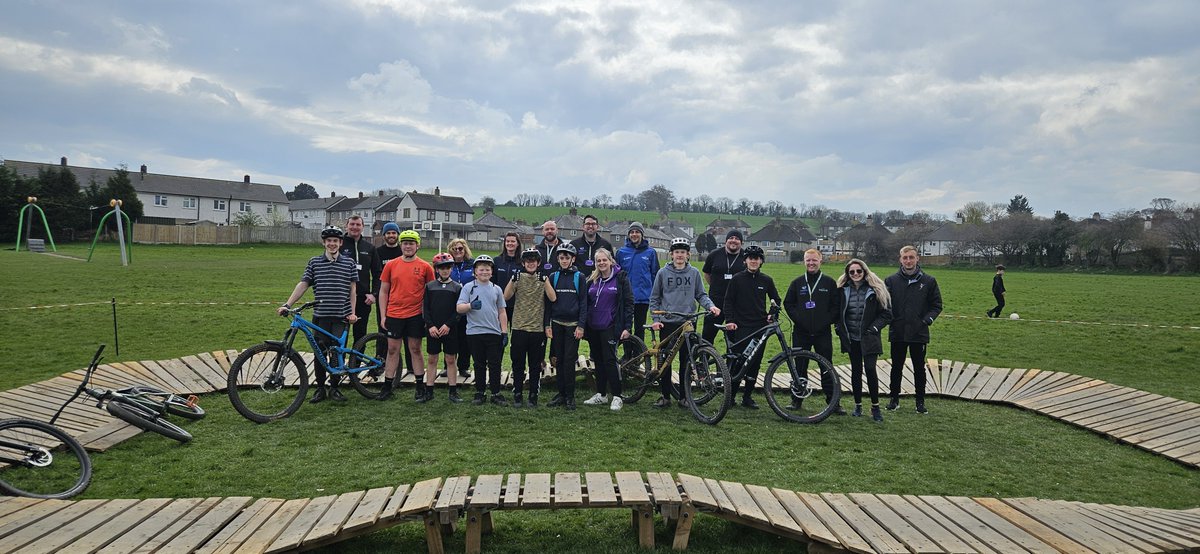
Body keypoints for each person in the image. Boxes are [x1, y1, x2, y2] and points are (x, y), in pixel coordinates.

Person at [277, 225, 359, 403]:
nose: (332, 244)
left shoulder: (349, 263)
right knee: (319, 353)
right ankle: (320, 388)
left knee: (337, 353)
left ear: (340, 243)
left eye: (335, 241)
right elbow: (304, 284)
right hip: (321, 316)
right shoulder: (314, 262)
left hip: (341, 316)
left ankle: (335, 388)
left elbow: (353, 290)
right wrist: (287, 304)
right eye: (329, 241)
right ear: (324, 243)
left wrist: (352, 313)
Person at [649, 238, 719, 408]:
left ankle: (683, 397)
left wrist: (711, 306)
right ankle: (665, 396)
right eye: (676, 252)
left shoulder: (694, 273)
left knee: (686, 362)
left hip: (687, 323)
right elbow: (655, 298)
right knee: (665, 360)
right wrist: (656, 320)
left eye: (683, 252)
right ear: (671, 254)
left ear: (688, 255)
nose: (679, 255)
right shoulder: (662, 273)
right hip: (668, 322)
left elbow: (701, 295)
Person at [377, 229, 435, 402]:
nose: (408, 246)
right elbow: (383, 291)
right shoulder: (391, 265)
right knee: (392, 349)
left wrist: (428, 317)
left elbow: (431, 293)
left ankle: (419, 386)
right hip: (394, 313)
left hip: (415, 315)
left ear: (417, 245)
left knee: (415, 350)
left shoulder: (425, 267)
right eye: (405, 243)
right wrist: (383, 315)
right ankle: (387, 386)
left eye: (411, 243)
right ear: (401, 245)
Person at [783, 248, 843, 414]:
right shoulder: (797, 283)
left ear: (820, 261)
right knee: (799, 368)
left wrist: (824, 322)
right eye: (808, 260)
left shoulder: (829, 283)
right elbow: (788, 304)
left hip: (822, 332)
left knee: (826, 367)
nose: (811, 263)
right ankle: (796, 400)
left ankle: (833, 402)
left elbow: (835, 307)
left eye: (814, 260)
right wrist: (799, 320)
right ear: (804, 261)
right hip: (801, 332)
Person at [884, 246, 943, 414]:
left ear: (918, 259)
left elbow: (936, 305)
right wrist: (891, 319)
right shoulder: (891, 281)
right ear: (900, 259)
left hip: (919, 332)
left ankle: (920, 402)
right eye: (905, 258)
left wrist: (926, 321)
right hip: (898, 332)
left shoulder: (929, 281)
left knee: (919, 367)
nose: (908, 261)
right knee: (896, 366)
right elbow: (885, 305)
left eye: (911, 257)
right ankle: (894, 400)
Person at [721, 245, 780, 409]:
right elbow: (728, 302)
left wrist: (772, 313)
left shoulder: (766, 280)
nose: (753, 261)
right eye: (750, 258)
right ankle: (730, 396)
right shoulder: (737, 279)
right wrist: (730, 321)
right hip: (740, 327)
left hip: (760, 327)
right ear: (745, 261)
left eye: (757, 258)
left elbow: (776, 299)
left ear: (761, 261)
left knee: (755, 362)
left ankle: (747, 396)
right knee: (738, 362)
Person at [835, 258, 892, 422]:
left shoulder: (875, 290)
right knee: (856, 371)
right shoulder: (842, 290)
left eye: (858, 271)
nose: (855, 274)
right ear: (847, 274)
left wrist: (874, 328)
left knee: (870, 370)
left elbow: (887, 314)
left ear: (864, 271)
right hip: (852, 339)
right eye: (851, 272)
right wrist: (839, 329)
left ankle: (875, 407)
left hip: (869, 338)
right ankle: (858, 404)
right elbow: (837, 313)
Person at [582, 248, 634, 411]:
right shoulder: (592, 280)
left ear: (610, 261)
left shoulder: (621, 278)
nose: (602, 263)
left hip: (610, 326)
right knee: (598, 361)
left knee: (610, 361)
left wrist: (627, 327)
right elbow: (585, 303)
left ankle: (617, 396)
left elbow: (628, 303)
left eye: (604, 260)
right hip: (593, 327)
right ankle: (601, 394)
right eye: (598, 261)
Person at [456, 255, 509, 406]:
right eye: (481, 269)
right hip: (474, 332)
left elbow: (502, 311)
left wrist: (504, 331)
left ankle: (496, 392)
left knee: (495, 364)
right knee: (479, 364)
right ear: (475, 272)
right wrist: (470, 306)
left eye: (487, 269)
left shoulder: (496, 289)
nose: (484, 272)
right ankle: (480, 392)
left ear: (491, 272)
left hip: (493, 332)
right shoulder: (468, 287)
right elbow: (459, 308)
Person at [504, 248, 554, 407]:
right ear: (523, 263)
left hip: (537, 329)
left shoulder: (542, 278)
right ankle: (517, 393)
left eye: (534, 261)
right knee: (518, 363)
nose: (531, 264)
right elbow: (506, 297)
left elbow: (553, 297)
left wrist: (545, 280)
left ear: (538, 263)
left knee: (535, 364)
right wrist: (513, 280)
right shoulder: (518, 277)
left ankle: (533, 394)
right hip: (519, 327)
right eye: (528, 261)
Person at [545, 244, 588, 410]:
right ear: (558, 259)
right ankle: (561, 394)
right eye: (561, 258)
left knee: (569, 361)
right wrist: (546, 324)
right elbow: (549, 302)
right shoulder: (553, 276)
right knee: (559, 360)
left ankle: (570, 396)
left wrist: (581, 326)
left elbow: (584, 303)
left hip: (573, 326)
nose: (564, 261)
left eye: (567, 258)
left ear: (573, 259)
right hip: (556, 324)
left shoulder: (579, 277)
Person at [372, 222, 413, 376]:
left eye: (393, 233)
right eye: (388, 233)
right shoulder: (378, 252)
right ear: (384, 235)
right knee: (383, 331)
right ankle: (380, 362)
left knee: (409, 334)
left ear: (398, 235)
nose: (391, 236)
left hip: (403, 298)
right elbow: (376, 274)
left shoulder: (403, 250)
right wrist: (375, 293)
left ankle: (410, 367)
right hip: (385, 297)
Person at [425, 252, 464, 403]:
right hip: (433, 330)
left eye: (448, 267)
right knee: (432, 359)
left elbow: (458, 311)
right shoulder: (430, 286)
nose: (445, 270)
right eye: (441, 268)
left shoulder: (457, 287)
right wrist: (430, 326)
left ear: (452, 269)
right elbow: (425, 308)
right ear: (436, 270)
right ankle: (429, 390)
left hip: (450, 329)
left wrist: (449, 324)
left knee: (450, 359)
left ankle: (453, 391)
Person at [615, 222, 660, 345]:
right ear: (628, 235)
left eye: (637, 232)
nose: (634, 234)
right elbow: (616, 274)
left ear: (642, 234)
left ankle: (638, 354)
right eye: (632, 232)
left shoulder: (650, 253)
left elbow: (655, 274)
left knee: (640, 328)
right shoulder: (621, 252)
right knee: (626, 328)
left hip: (643, 297)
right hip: (626, 297)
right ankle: (627, 356)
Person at [701, 229, 747, 349]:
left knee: (734, 339)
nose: (734, 241)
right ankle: (703, 362)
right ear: (726, 241)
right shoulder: (714, 255)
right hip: (715, 302)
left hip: (737, 304)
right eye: (731, 238)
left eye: (737, 239)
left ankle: (731, 366)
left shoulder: (745, 257)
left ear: (741, 242)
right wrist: (715, 286)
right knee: (707, 335)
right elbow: (706, 273)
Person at [341, 215, 378, 347]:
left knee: (360, 335)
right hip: (343, 298)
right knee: (340, 336)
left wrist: (374, 294)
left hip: (363, 299)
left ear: (363, 227)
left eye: (358, 225)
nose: (355, 227)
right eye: (352, 224)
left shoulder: (370, 248)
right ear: (347, 226)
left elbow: (377, 273)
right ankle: (339, 365)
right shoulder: (339, 244)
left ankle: (355, 365)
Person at [444, 238, 474, 380]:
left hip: (467, 307)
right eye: (454, 249)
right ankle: (447, 366)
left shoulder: (471, 264)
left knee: (465, 339)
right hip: (449, 306)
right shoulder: (446, 265)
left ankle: (463, 367)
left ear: (465, 250)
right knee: (450, 338)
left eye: (460, 249)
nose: (457, 251)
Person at [570, 214, 614, 279]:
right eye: (588, 224)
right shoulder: (574, 244)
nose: (590, 226)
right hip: (578, 282)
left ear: (597, 226)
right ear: (583, 226)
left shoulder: (606, 245)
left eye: (593, 224)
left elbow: (612, 265)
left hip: (600, 283)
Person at [493, 232, 524, 322]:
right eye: (507, 241)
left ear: (518, 244)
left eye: (513, 241)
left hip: (517, 304)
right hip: (499, 303)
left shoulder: (522, 263)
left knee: (516, 333)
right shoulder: (497, 261)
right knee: (500, 332)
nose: (510, 243)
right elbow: (492, 282)